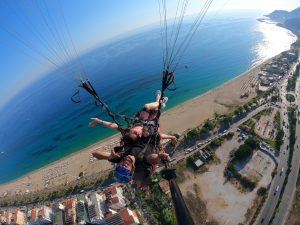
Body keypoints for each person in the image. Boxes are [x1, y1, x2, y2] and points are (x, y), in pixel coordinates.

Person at [92, 142, 170, 183]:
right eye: (125, 171)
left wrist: (109, 157)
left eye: (119, 168)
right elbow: (151, 159)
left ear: (117, 165)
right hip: (150, 139)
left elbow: (95, 154)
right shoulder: (141, 163)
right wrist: (158, 157)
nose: (123, 167)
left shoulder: (118, 157)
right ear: (132, 171)